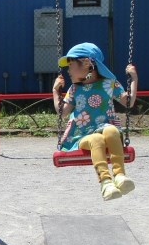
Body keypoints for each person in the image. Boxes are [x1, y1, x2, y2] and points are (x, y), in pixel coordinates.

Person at [52, 42, 138, 201]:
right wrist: (55, 91)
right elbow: (63, 113)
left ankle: (119, 176)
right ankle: (106, 182)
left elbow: (128, 102)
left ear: (87, 64)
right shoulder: (74, 89)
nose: (68, 70)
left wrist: (134, 78)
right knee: (96, 139)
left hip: (106, 129)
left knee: (112, 130)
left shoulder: (109, 84)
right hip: (81, 137)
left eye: (71, 65)